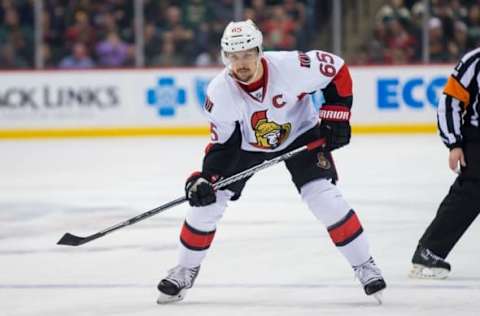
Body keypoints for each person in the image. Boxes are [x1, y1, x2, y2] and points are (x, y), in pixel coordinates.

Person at [156, 19, 387, 304]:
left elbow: (337, 69)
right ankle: (185, 270)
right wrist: (207, 178)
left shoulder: (292, 67)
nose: (241, 63)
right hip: (246, 145)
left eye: (247, 55)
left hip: (301, 134)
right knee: (207, 204)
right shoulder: (219, 93)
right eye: (234, 56)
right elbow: (223, 145)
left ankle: (365, 265)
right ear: (226, 57)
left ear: (259, 51)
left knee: (325, 198)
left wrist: (336, 116)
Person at [410, 47, 480, 279]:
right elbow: (450, 102)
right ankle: (429, 251)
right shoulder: (475, 61)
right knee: (471, 192)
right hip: (477, 139)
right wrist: (454, 143)